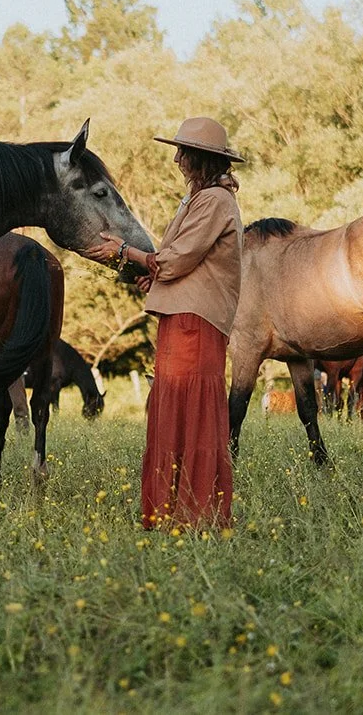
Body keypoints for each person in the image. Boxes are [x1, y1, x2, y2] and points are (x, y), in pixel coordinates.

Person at [87, 116, 243, 530]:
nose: (176, 160)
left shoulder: (214, 201)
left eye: (182, 153)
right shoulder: (199, 199)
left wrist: (126, 252)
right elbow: (182, 262)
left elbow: (176, 259)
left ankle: (193, 512)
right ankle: (173, 510)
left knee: (189, 408)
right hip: (184, 315)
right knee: (175, 407)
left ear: (200, 158)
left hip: (196, 319)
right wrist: (153, 276)